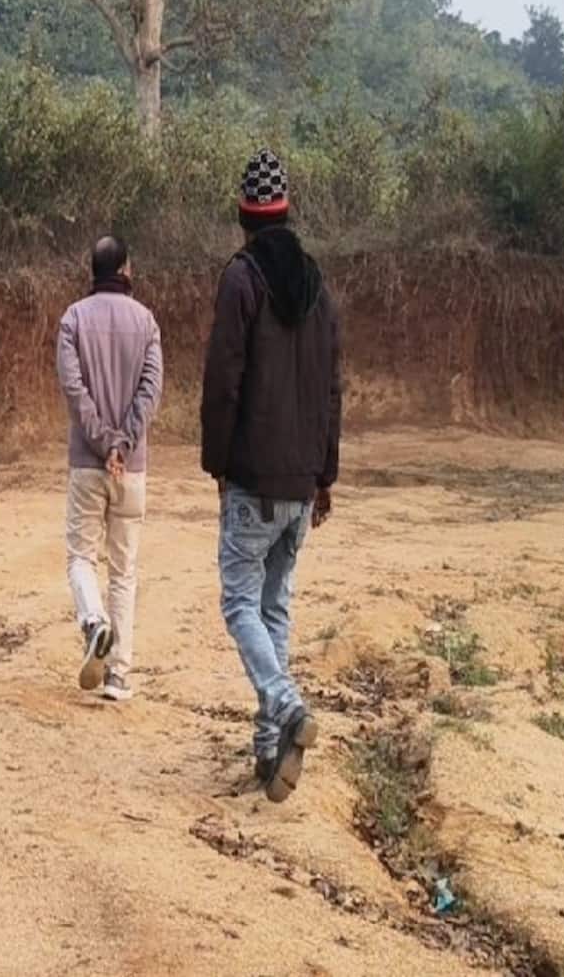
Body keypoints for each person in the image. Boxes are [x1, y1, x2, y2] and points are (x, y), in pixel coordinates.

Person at [200, 150, 342, 803]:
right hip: (301, 481)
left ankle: (284, 703)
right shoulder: (317, 285)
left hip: (255, 475)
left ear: (244, 214)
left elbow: (224, 380)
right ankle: (267, 752)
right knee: (274, 605)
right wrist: (325, 475)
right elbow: (332, 387)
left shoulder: (242, 280)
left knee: (238, 601)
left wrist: (218, 462)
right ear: (286, 209)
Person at [55, 236, 164, 702]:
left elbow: (74, 389)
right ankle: (118, 676)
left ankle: (94, 622)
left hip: (87, 462)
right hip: (131, 467)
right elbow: (150, 390)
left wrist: (102, 443)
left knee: (81, 557)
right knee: (124, 569)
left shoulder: (73, 319)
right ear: (125, 268)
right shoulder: (147, 322)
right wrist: (123, 443)